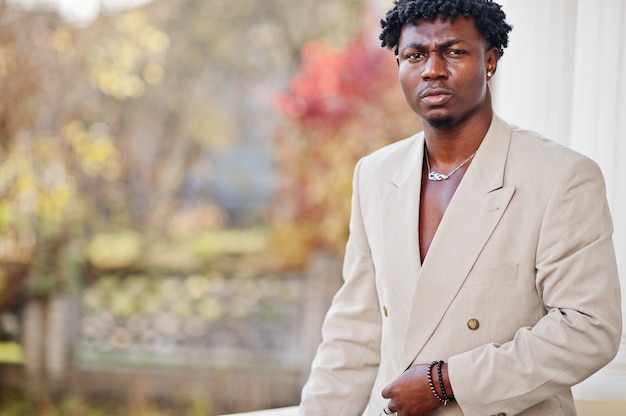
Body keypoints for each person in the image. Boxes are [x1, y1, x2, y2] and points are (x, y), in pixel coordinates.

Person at [298, 0, 622, 415]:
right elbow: (353, 333)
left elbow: (589, 329)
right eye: (415, 55)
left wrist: (445, 381)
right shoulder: (375, 175)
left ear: (490, 60)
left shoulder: (562, 175)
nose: (432, 68)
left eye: (454, 51)